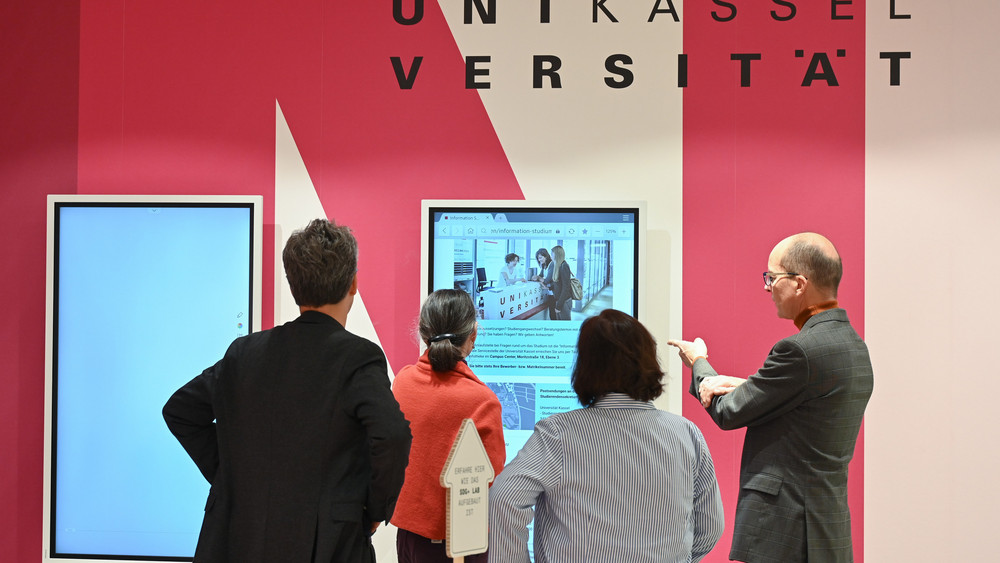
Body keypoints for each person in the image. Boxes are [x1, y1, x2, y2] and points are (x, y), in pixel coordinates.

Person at [163, 218, 412, 563]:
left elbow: (180, 411)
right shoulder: (358, 357)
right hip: (328, 543)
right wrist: (374, 506)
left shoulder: (243, 352)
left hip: (238, 540)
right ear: (353, 283)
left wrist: (228, 476)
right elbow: (393, 434)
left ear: (293, 284)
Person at [668, 232, 874, 563]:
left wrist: (698, 363)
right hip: (827, 528)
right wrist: (747, 385)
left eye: (772, 278)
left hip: (787, 532)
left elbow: (728, 412)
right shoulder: (852, 345)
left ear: (799, 283)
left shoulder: (797, 351)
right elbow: (805, 405)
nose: (767, 288)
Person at [490, 309, 724, 562]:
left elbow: (504, 500)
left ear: (585, 366)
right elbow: (711, 527)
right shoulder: (686, 434)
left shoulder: (557, 435)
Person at [390, 289, 506, 562]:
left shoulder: (402, 382)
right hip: (459, 547)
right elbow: (493, 479)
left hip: (407, 537)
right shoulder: (482, 400)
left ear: (423, 333)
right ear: (473, 336)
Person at [530, 248, 556, 320]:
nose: (539, 260)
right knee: (552, 314)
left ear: (546, 256)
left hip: (555, 293)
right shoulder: (543, 265)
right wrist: (537, 277)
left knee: (554, 315)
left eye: (540, 257)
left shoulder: (552, 264)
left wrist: (538, 278)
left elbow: (547, 280)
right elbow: (541, 276)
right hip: (550, 293)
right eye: (538, 258)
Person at [550, 245, 573, 320]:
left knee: (565, 326)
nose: (551, 256)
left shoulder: (564, 266)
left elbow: (565, 288)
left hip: (564, 302)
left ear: (557, 255)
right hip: (560, 301)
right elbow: (559, 285)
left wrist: (558, 306)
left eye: (552, 254)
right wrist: (550, 287)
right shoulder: (558, 266)